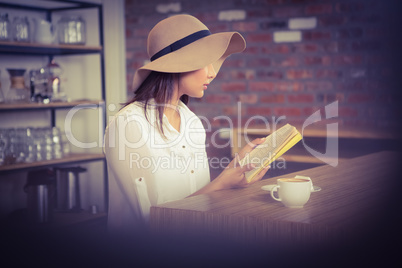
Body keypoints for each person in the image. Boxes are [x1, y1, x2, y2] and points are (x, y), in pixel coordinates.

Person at [103, 14, 269, 236]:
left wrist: (232, 174)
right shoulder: (129, 126)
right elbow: (152, 223)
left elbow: (201, 203)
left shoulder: (192, 122)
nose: (212, 73)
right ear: (177, 65)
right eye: (205, 62)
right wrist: (222, 182)